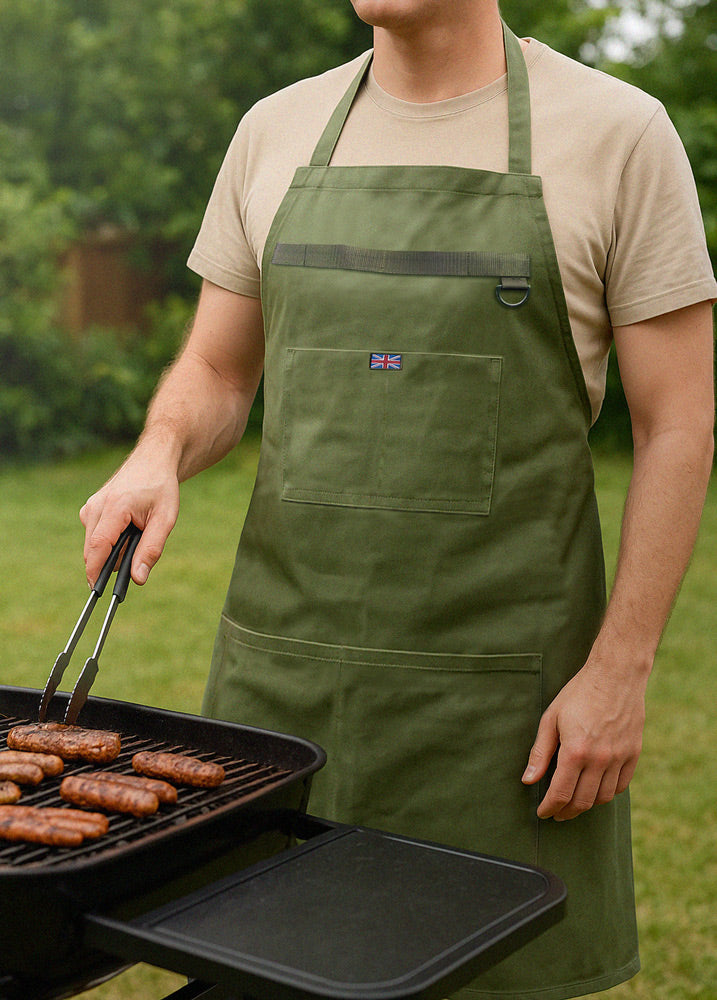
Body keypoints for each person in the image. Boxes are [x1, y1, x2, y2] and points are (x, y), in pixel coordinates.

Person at [80, 2, 716, 997]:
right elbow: (216, 367)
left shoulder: (618, 134)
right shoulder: (276, 128)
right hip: (279, 699)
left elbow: (675, 424)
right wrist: (158, 449)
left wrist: (621, 666)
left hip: (503, 719)